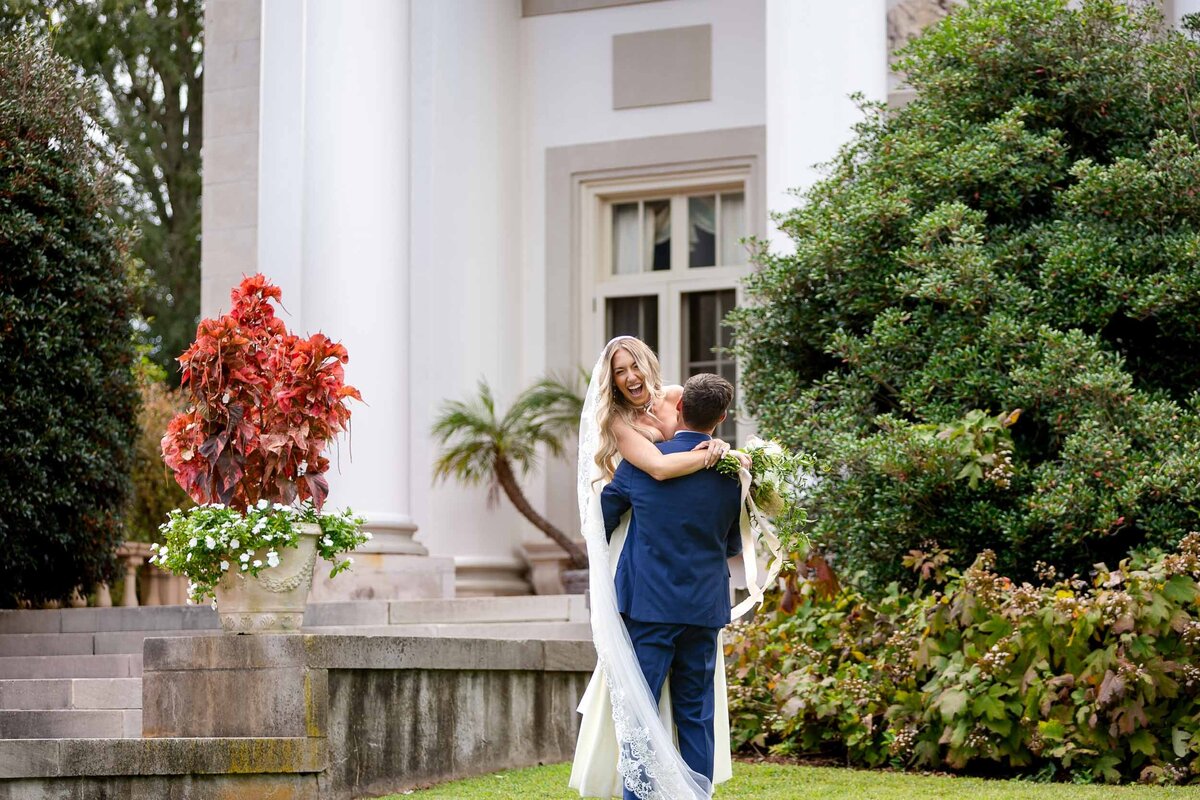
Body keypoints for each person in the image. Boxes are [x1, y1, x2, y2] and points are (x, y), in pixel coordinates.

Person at [571, 337, 744, 800]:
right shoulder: (731, 477)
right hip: (704, 606)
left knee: (640, 712)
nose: (629, 378)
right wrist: (724, 458)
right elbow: (731, 544)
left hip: (648, 604)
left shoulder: (632, 471)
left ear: (678, 403)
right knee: (695, 712)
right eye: (619, 371)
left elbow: (601, 524)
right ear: (720, 418)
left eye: (633, 368)